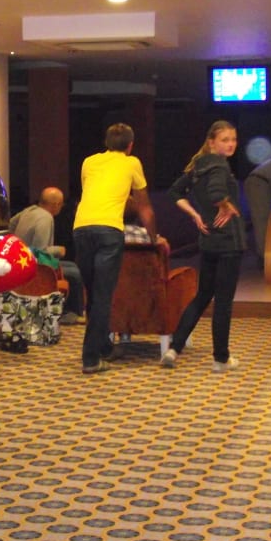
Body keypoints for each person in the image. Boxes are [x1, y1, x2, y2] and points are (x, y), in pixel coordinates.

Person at [73, 122, 161, 374]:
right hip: (109, 230)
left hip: (81, 228)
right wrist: (154, 238)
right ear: (130, 146)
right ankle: (91, 358)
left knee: (93, 294)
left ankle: (104, 347)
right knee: (102, 296)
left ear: (106, 142)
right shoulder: (131, 163)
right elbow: (144, 207)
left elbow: (92, 192)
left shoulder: (89, 162)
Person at [161, 120, 246, 372]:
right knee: (223, 302)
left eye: (233, 139)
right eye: (225, 140)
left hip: (209, 241)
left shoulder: (198, 165)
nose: (231, 144)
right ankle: (221, 358)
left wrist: (195, 215)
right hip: (229, 242)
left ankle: (174, 348)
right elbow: (216, 191)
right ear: (211, 142)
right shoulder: (219, 165)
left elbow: (175, 192)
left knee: (202, 296)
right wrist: (225, 205)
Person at [9, 187, 85, 324]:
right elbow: (40, 250)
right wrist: (58, 250)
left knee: (72, 266)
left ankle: (75, 311)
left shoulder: (29, 210)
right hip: (35, 267)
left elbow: (11, 225)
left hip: (21, 260)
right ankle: (68, 313)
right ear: (56, 205)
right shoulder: (46, 218)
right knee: (74, 274)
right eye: (61, 204)